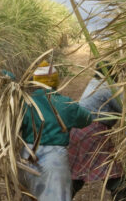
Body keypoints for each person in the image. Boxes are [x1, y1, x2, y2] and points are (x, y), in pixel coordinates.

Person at [20, 61, 93, 201]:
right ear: (55, 81)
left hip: (27, 158)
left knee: (30, 196)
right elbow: (87, 119)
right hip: (55, 161)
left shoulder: (26, 103)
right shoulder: (66, 104)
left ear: (35, 81)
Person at [69, 65, 126, 200]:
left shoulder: (93, 83)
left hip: (77, 131)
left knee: (77, 172)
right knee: (114, 173)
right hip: (93, 133)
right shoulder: (109, 87)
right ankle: (123, 196)